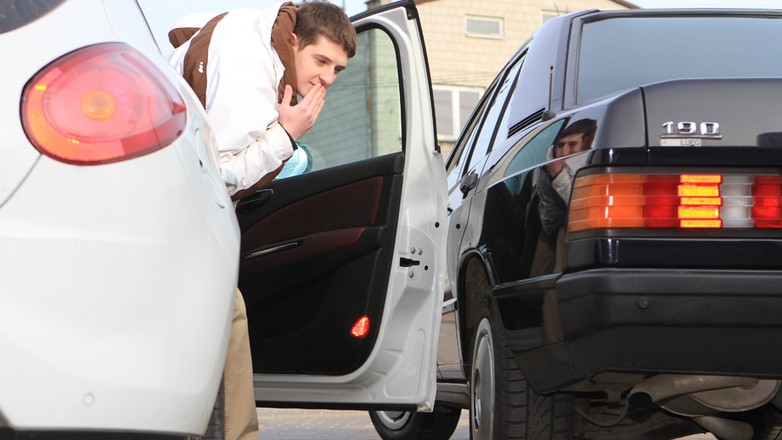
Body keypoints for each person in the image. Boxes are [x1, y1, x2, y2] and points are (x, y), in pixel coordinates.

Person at [167, 2, 357, 440]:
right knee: (226, 314)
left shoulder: (254, 41)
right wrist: (286, 135)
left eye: (338, 70)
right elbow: (220, 177)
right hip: (173, 211)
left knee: (223, 318)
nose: (328, 78)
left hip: (177, 210)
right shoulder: (249, 69)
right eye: (321, 61)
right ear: (293, 42)